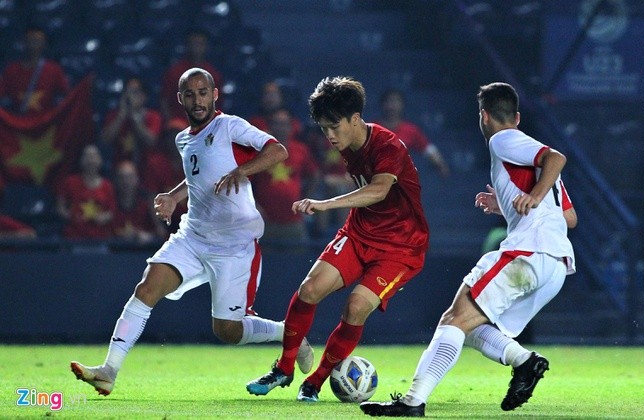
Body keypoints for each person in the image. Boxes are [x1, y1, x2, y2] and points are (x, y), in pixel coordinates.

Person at [70, 67, 313, 396]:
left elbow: (278, 151)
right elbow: (198, 179)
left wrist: (242, 171)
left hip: (235, 244)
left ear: (214, 95)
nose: (197, 99)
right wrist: (173, 196)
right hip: (193, 237)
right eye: (190, 94)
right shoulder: (183, 139)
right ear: (180, 99)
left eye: (203, 92)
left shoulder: (230, 126)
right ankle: (109, 370)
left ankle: (288, 334)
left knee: (227, 331)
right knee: (147, 287)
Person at [360, 82, 576, 417]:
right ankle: (525, 361)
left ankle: (413, 401)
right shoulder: (540, 175)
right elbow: (569, 218)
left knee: (452, 318)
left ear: (484, 116)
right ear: (516, 115)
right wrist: (505, 205)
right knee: (471, 327)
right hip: (556, 265)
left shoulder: (503, 138)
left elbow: (556, 157)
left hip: (527, 253)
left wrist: (532, 196)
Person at [246, 76, 430, 402]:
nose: (329, 136)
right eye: (323, 128)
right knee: (309, 290)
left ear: (355, 119)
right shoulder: (347, 143)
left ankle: (314, 383)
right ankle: (285, 367)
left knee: (356, 307)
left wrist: (325, 203)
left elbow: (379, 190)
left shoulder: (388, 146)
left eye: (334, 127)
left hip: (401, 247)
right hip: (360, 233)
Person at [251, 107, 320, 244]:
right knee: (265, 263)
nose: (280, 128)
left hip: (294, 221)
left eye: (284, 124)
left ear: (290, 127)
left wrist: (305, 200)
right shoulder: (258, 151)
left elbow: (315, 175)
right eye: (276, 124)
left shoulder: (300, 150)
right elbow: (244, 181)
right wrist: (254, 205)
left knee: (300, 261)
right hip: (265, 222)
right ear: (269, 127)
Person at [377, 89, 450, 177]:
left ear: (402, 105)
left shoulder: (411, 130)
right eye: (389, 101)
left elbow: (428, 149)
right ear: (382, 104)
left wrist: (440, 165)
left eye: (396, 101)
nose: (392, 106)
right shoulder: (371, 129)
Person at [0, 26, 69, 117]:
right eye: (30, 40)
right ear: (24, 43)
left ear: (44, 44)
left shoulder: (54, 70)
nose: (33, 44)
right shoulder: (11, 70)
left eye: (37, 40)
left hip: (45, 125)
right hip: (17, 124)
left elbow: (67, 97)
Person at [99, 76, 162, 168]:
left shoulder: (153, 116)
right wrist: (121, 117)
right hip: (119, 167)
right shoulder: (114, 115)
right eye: (127, 92)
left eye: (135, 92)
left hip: (146, 168)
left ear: (144, 96)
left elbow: (151, 142)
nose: (130, 96)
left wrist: (134, 116)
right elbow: (105, 141)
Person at [56, 144, 116, 240]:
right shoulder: (70, 182)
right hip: (74, 237)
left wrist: (104, 218)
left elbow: (112, 212)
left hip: (99, 237)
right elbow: (60, 208)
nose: (90, 160)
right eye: (87, 156)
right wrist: (72, 216)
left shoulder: (107, 185)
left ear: (100, 160)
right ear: (81, 160)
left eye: (93, 156)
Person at [160, 29, 223, 122]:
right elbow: (164, 100)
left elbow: (218, 103)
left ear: (206, 46)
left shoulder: (213, 74)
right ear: (187, 46)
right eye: (194, 44)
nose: (196, 48)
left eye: (200, 44)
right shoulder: (174, 72)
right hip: (179, 122)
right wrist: (170, 122)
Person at [111, 160, 166, 243]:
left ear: (136, 179)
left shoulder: (147, 205)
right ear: (116, 180)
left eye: (129, 177)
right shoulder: (111, 204)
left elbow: (161, 234)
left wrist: (149, 236)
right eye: (122, 178)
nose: (126, 182)